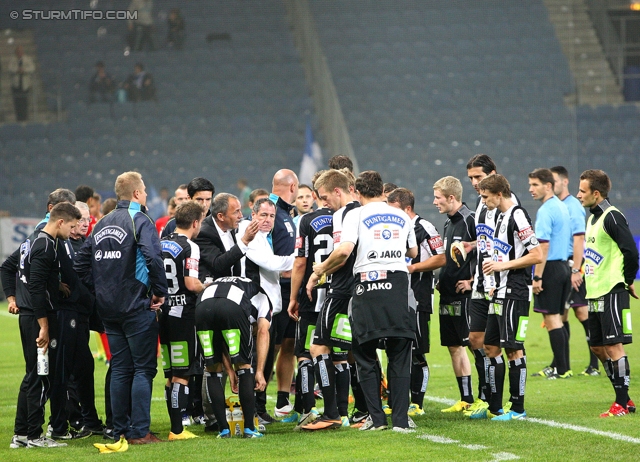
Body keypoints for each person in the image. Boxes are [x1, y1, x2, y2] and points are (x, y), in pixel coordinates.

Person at [311, 170, 417, 433]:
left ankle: (377, 420)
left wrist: (320, 269)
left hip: (367, 285)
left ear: (357, 192)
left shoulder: (355, 214)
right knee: (400, 353)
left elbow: (344, 251)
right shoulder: (402, 215)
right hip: (398, 285)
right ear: (383, 190)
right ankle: (401, 421)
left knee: (364, 353)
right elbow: (413, 251)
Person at [74, 171, 168, 446]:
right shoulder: (140, 219)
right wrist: (159, 293)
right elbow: (153, 257)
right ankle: (140, 432)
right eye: (145, 192)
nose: (147, 196)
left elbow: (81, 263)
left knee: (120, 367)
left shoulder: (101, 223)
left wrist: (100, 289)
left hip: (108, 309)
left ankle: (119, 429)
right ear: (137, 194)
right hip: (136, 305)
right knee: (143, 368)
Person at [2, 203, 81, 449]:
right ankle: (35, 435)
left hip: (29, 316)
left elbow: (18, 270)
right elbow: (35, 287)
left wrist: (53, 285)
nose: (72, 231)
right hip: (38, 318)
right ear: (60, 222)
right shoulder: (46, 246)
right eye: (71, 226)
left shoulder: (31, 241)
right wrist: (44, 326)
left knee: (32, 376)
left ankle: (21, 434)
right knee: (41, 376)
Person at [469, 174, 543, 421]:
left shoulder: (517, 214)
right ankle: (495, 406)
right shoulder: (498, 216)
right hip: (498, 293)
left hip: (516, 292)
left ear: (498, 194)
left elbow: (536, 254)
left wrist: (504, 267)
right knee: (491, 346)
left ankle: (518, 408)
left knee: (513, 349)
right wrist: (493, 282)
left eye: (485, 196)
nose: (483, 200)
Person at [577, 169, 639, 417]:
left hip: (612, 290)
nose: (578, 195)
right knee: (597, 347)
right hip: (594, 292)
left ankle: (621, 404)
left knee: (614, 347)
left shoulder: (613, 217)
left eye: (582, 191)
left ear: (596, 193)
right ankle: (624, 397)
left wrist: (625, 281)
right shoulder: (592, 218)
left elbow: (631, 252)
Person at [464, 154, 519, 414]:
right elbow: (487, 239)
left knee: (506, 344)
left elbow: (510, 241)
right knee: (476, 339)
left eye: (479, 177)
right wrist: (471, 246)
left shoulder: (507, 203)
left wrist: (498, 270)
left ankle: (506, 401)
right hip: (481, 281)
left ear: (493, 174)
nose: (475, 183)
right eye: (472, 178)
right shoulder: (480, 203)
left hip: (501, 282)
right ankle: (487, 396)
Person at [387, 187, 446, 417]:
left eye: (394, 210)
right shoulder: (393, 228)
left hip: (419, 298)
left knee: (417, 352)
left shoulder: (424, 227)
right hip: (396, 298)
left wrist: (413, 267)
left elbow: (441, 258)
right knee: (396, 349)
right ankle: (394, 399)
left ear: (407, 208)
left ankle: (417, 403)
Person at [195, 276, 272, 438]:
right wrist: (259, 372)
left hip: (202, 305)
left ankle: (223, 430)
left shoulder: (226, 281)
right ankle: (249, 429)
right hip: (232, 307)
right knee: (244, 367)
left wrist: (229, 371)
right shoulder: (263, 296)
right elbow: (263, 331)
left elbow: (221, 342)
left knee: (212, 369)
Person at [286, 179, 334, 429]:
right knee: (339, 355)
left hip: (311, 294)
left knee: (305, 354)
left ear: (316, 195)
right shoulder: (344, 216)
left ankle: (308, 409)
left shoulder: (306, 221)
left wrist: (293, 298)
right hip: (338, 293)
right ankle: (342, 410)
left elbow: (300, 262)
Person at [159, 201, 206, 440]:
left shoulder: (160, 242)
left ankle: (174, 425)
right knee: (183, 373)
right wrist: (206, 286)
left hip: (162, 312)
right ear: (195, 222)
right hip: (183, 314)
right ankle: (177, 430)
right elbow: (191, 283)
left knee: (170, 374)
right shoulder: (190, 246)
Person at [433, 176, 477, 413]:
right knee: (453, 346)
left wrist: (472, 280)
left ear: (451, 198)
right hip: (447, 294)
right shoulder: (448, 223)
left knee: (473, 343)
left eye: (438, 198)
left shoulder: (471, 220)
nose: (434, 202)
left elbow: (486, 248)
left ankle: (485, 396)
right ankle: (466, 398)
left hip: (465, 296)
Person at [550, 166, 599, 376]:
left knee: (580, 311)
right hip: (561, 265)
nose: (551, 186)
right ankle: (560, 365)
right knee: (562, 315)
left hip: (572, 265)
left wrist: (577, 269)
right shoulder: (556, 206)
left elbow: (580, 238)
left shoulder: (574, 206)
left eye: (555, 182)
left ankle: (594, 365)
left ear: (565, 182)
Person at [528, 168, 572, 380]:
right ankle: (563, 366)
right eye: (530, 185)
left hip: (551, 268)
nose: (531, 189)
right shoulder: (561, 207)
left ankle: (561, 370)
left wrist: (537, 276)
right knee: (559, 319)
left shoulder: (546, 210)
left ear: (548, 185)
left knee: (552, 319)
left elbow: (543, 247)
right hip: (563, 266)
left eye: (535, 185)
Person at [265, 169, 299, 422]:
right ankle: (255, 403)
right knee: (270, 347)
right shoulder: (270, 212)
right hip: (275, 291)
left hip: (291, 292)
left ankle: (282, 401)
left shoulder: (287, 213)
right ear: (293, 186)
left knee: (289, 344)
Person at [8, 45, 35, 122]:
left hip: (25, 85)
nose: (19, 53)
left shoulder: (27, 59)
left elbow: (32, 68)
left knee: (24, 102)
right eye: (18, 52)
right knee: (17, 102)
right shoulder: (13, 60)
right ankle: (18, 118)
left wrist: (24, 70)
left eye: (21, 51)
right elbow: (10, 68)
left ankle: (24, 118)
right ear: (16, 52)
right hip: (16, 85)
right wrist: (17, 70)